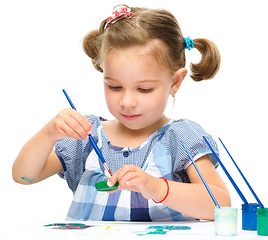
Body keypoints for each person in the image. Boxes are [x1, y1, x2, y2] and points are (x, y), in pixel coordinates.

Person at [12, 5, 231, 221]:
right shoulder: (86, 136)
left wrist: (156, 188)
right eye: (115, 87)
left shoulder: (180, 137)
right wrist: (49, 133)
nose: (127, 102)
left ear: (175, 82)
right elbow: (24, 177)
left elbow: (220, 203)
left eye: (144, 89)